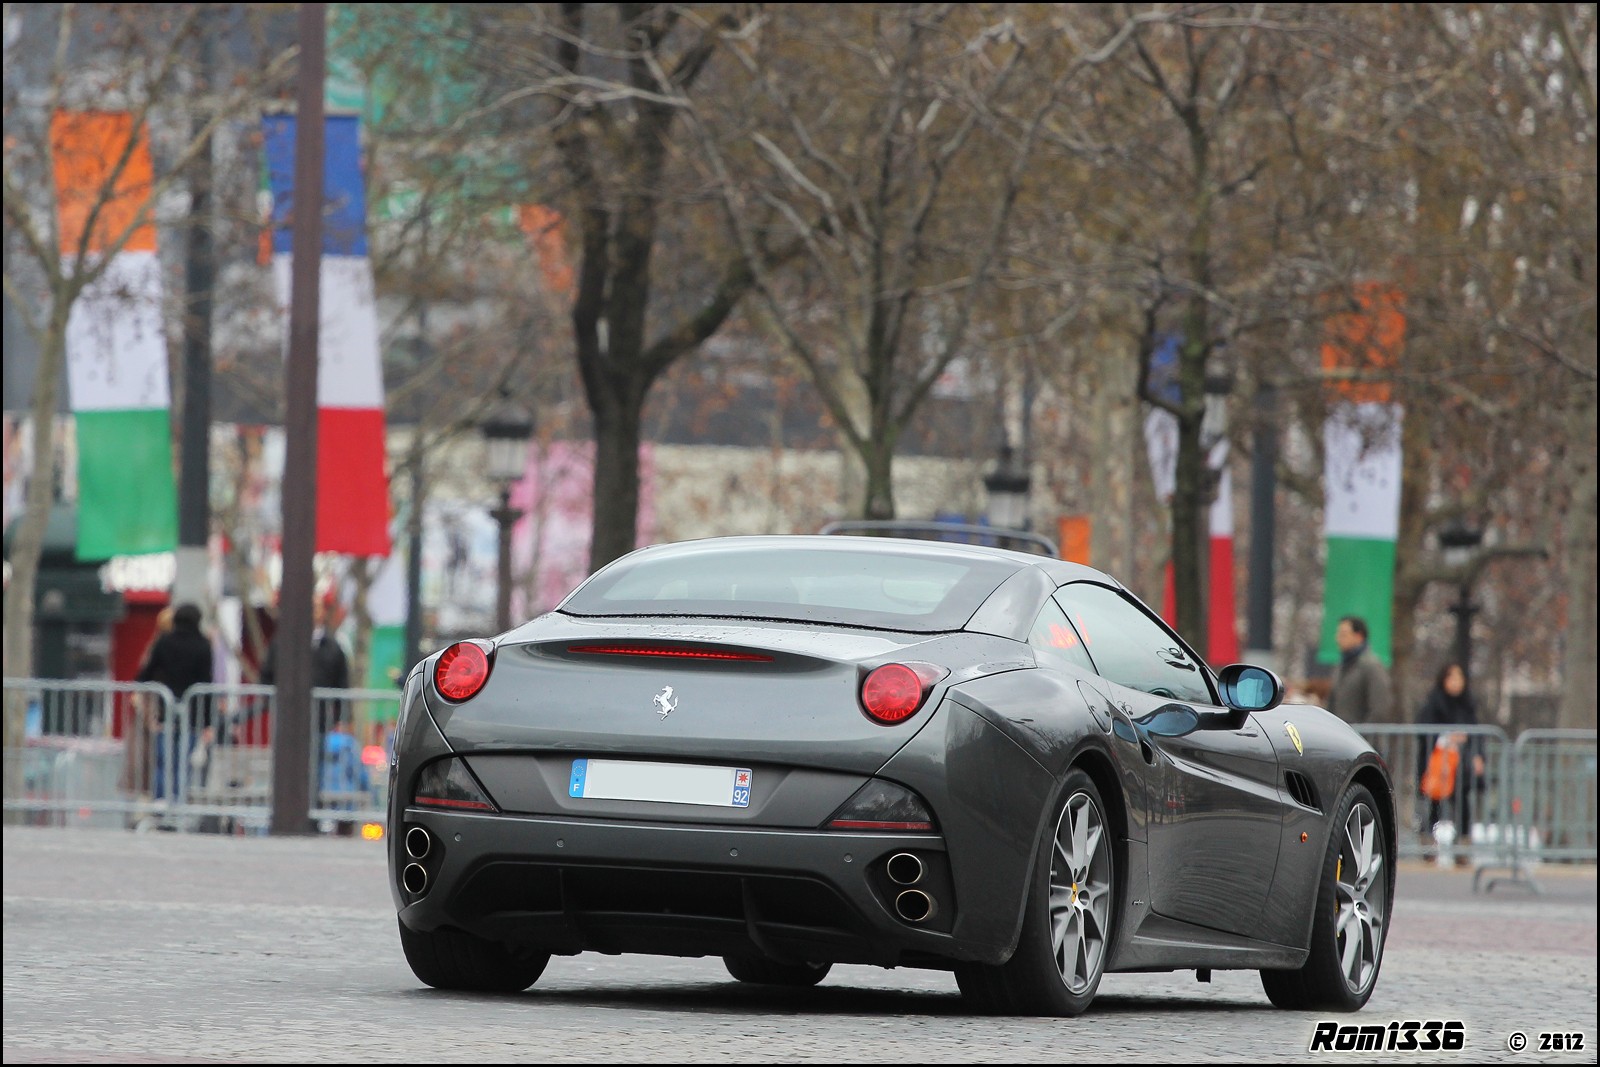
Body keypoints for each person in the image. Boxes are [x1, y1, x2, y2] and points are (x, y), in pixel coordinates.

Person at [135, 603, 216, 812]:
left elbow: (146, 674)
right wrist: (208, 721)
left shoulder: (164, 643)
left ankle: (161, 802)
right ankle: (178, 804)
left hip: (166, 709)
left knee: (163, 761)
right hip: (192, 713)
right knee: (183, 762)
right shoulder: (203, 646)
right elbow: (206, 684)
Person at [1415, 661, 1485, 864]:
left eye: (1459, 678)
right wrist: (1447, 737)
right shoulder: (1434, 703)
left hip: (1460, 766)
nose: (1456, 683)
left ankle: (1462, 845)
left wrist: (1477, 755)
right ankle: (1428, 842)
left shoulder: (1468, 705)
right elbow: (1424, 730)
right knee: (1434, 803)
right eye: (1451, 678)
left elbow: (1476, 734)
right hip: (1437, 764)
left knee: (1462, 804)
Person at [1327, 615, 1392, 724]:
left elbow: (1380, 708)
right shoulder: (1340, 666)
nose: (1337, 639)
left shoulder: (1372, 666)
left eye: (1343, 635)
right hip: (1339, 736)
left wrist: (1363, 734)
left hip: (1360, 737)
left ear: (1359, 636)